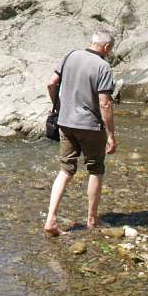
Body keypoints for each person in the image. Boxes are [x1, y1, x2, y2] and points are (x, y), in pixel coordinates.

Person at [44, 30, 117, 236]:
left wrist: (57, 106)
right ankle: (92, 220)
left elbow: (51, 83)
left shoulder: (70, 56)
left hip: (65, 122)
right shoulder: (103, 66)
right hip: (91, 125)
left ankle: (51, 220)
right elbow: (104, 103)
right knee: (95, 170)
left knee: (65, 170)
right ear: (106, 48)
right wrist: (111, 135)